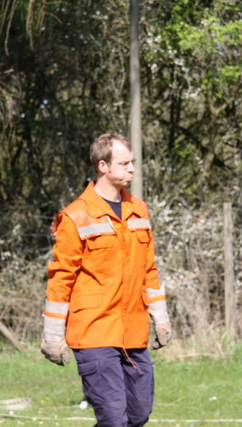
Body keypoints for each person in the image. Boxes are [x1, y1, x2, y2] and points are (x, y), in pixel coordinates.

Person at [40, 131, 172, 426]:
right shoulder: (76, 215)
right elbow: (61, 279)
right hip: (94, 332)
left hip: (133, 332)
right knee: (113, 419)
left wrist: (160, 317)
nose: (132, 169)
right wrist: (53, 334)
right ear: (103, 166)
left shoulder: (139, 209)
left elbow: (149, 269)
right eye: (124, 163)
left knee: (138, 414)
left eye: (132, 162)